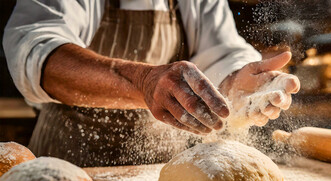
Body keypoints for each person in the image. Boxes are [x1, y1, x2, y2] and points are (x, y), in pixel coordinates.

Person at [3, 0, 300, 166]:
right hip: (67, 162)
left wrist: (235, 82)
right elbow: (33, 50)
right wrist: (144, 82)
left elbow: (222, 50)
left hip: (161, 168)